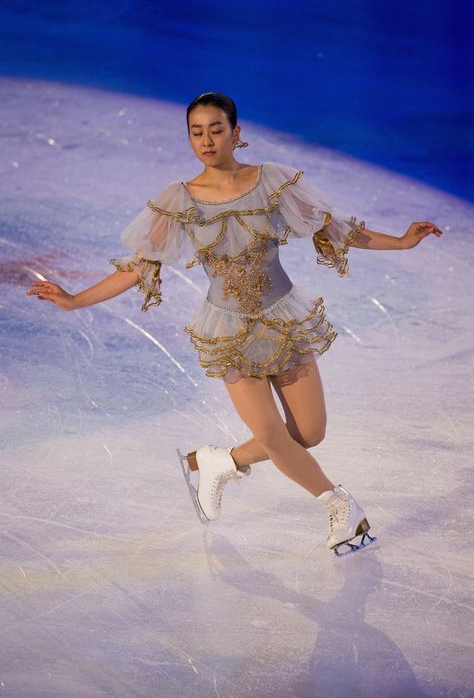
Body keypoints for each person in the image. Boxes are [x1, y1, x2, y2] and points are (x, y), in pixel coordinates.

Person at [26, 91, 443, 556]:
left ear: (236, 133)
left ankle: (218, 461)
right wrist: (74, 300)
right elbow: (139, 267)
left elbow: (333, 227)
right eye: (196, 132)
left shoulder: (273, 181)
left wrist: (402, 243)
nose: (205, 140)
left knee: (307, 433)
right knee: (271, 433)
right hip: (228, 329)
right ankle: (338, 505)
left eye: (215, 130)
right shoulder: (178, 200)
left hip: (283, 317)